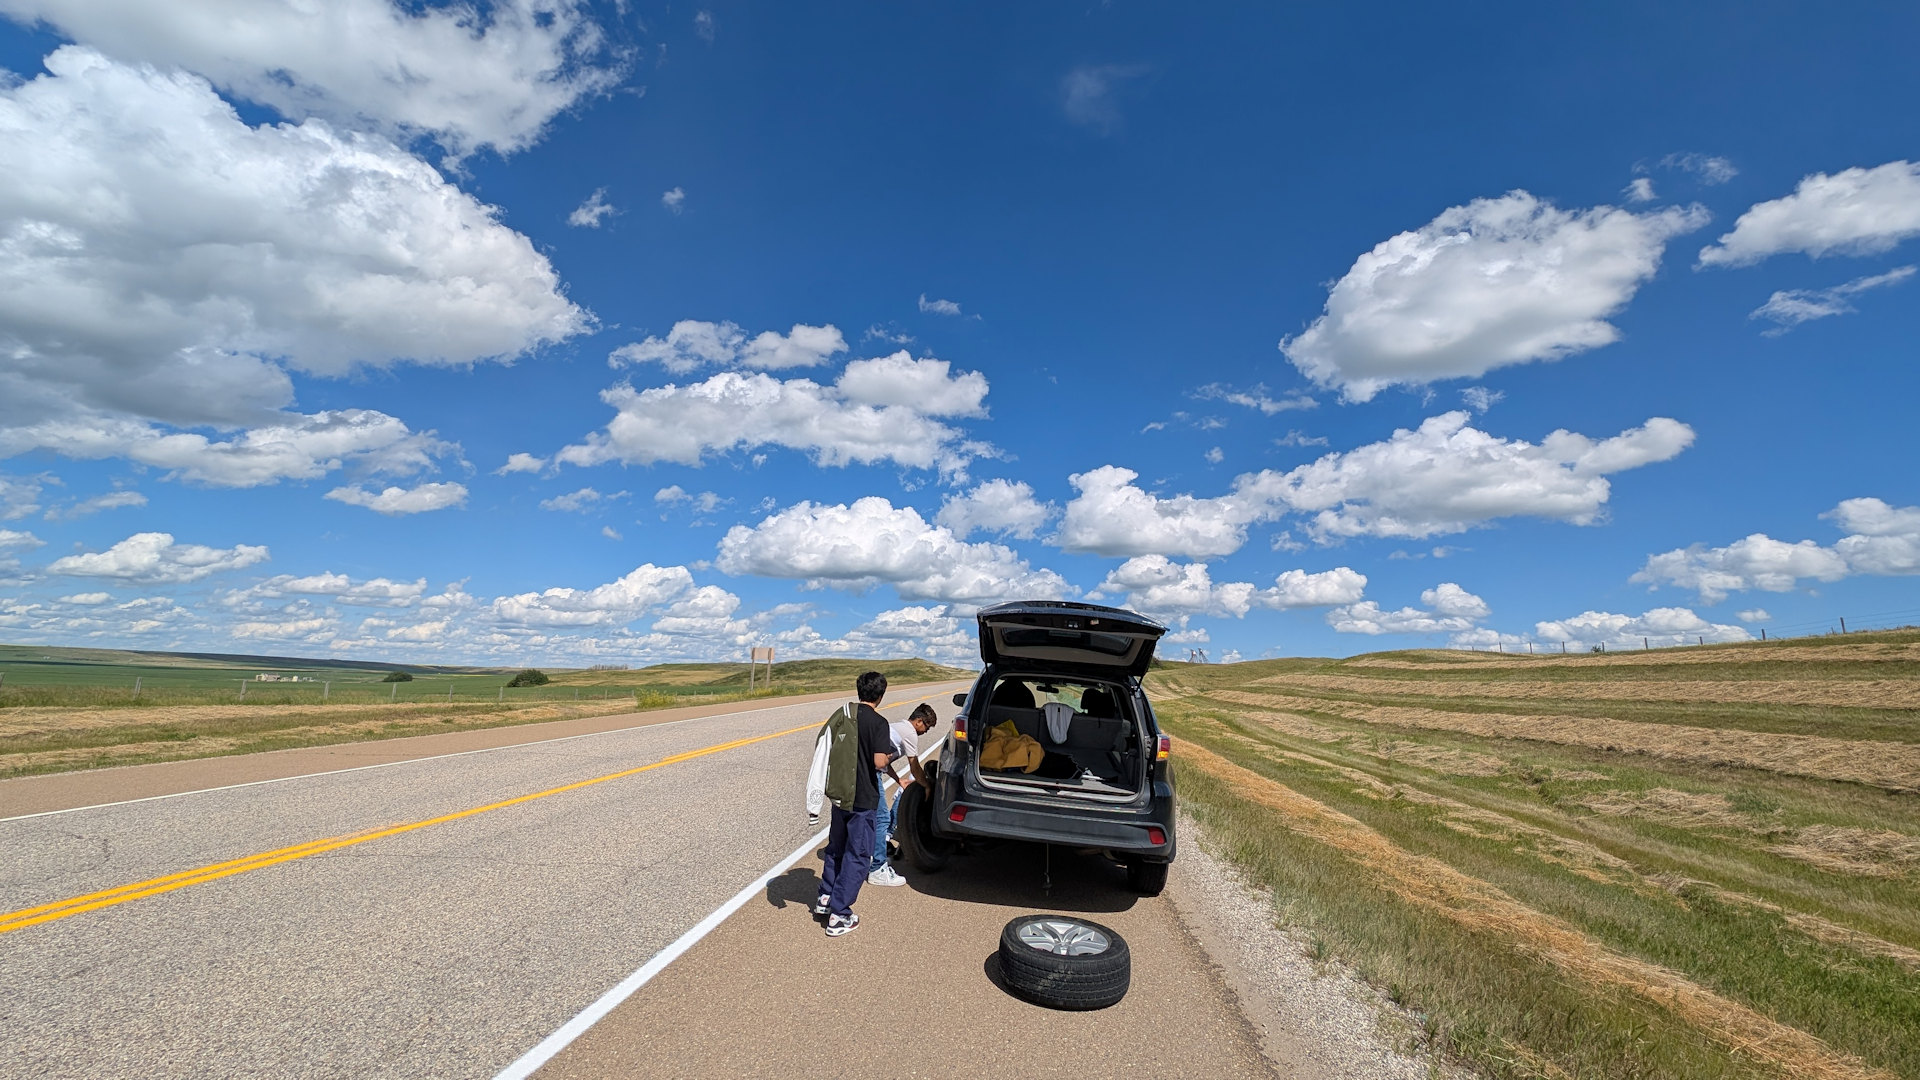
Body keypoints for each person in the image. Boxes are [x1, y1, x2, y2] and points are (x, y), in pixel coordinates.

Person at [813, 671, 894, 936]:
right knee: (858, 854)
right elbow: (879, 762)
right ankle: (840, 914)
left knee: (836, 846)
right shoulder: (879, 723)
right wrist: (891, 756)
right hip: (863, 798)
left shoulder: (844, 715)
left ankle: (826, 896)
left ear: (859, 690)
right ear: (880, 695)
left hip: (841, 796)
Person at [867, 702, 937, 886]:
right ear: (919, 721)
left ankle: (870, 853)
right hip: (870, 772)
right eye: (926, 728)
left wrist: (899, 781)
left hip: (866, 770)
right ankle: (877, 868)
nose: (925, 732)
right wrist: (927, 785)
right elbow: (915, 766)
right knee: (882, 818)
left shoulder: (897, 728)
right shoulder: (910, 733)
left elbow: (884, 761)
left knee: (867, 815)